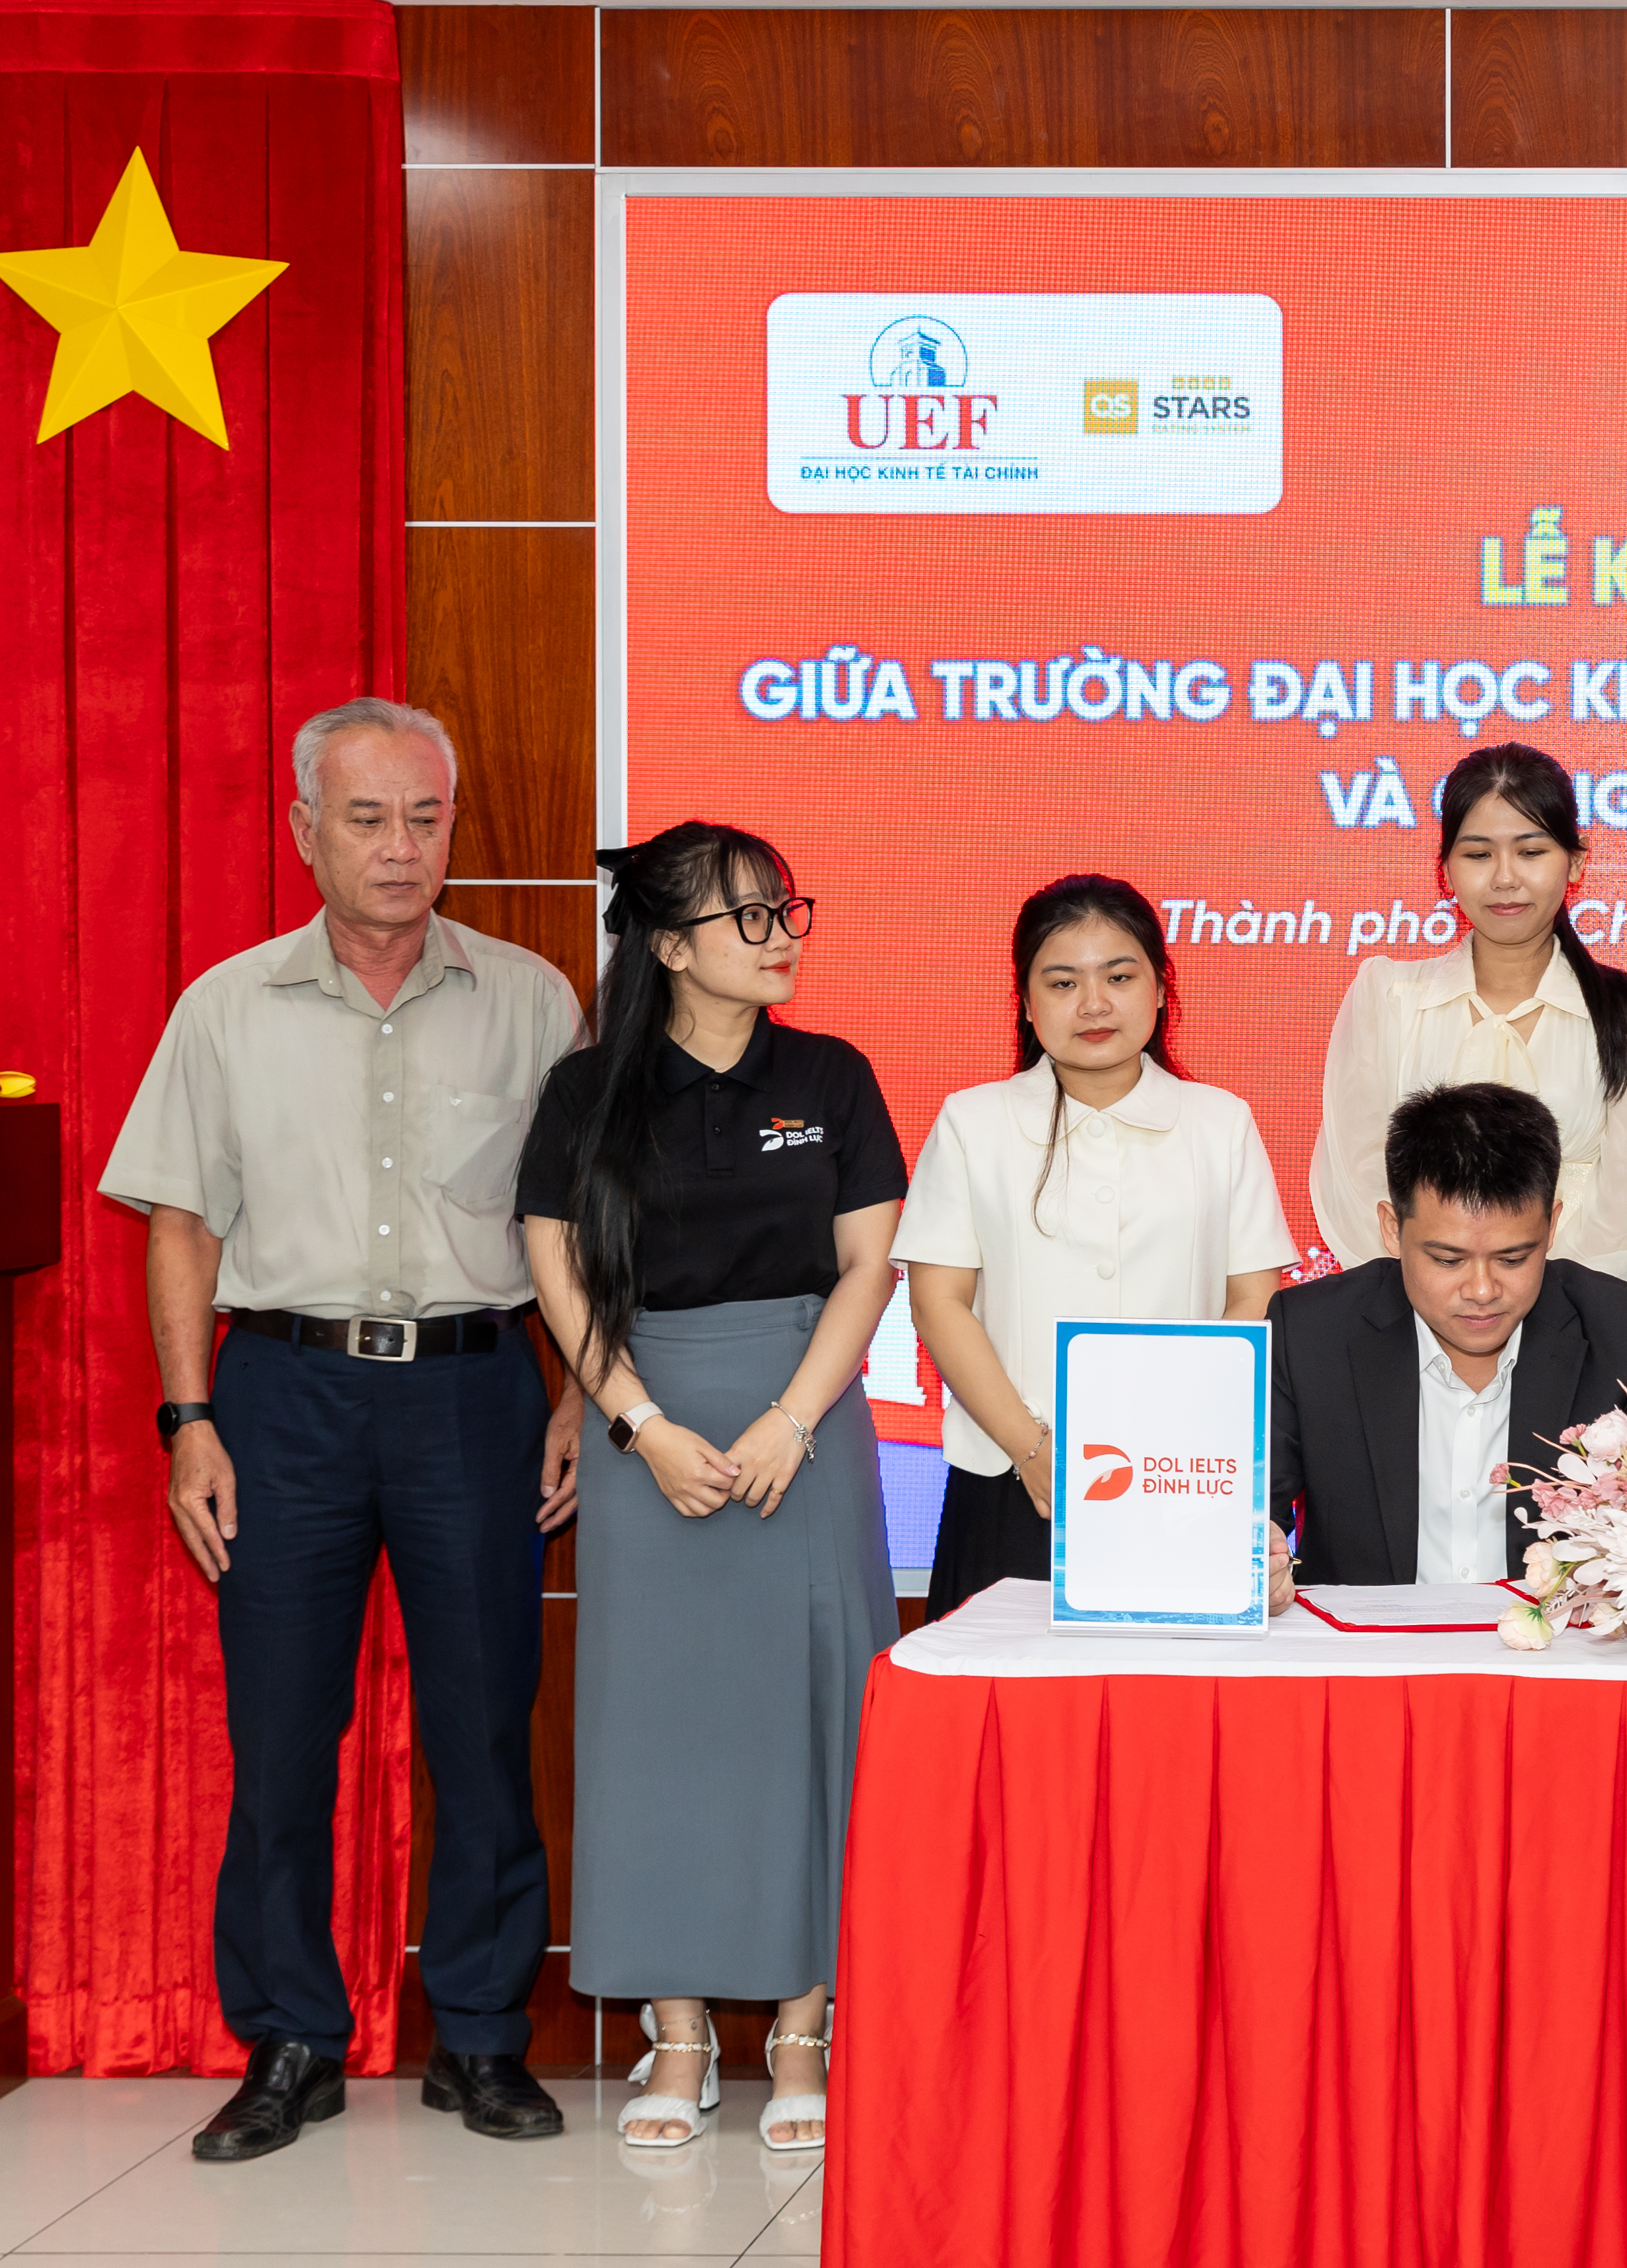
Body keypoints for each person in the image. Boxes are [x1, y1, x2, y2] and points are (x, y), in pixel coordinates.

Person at [99, 696, 581, 2162]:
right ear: (304, 828)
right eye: (365, 817)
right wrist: (190, 1415)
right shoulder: (227, 1003)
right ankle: (292, 2035)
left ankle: (483, 2037)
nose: (399, 846)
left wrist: (572, 1389)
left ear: (453, 823)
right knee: (284, 1728)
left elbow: (576, 1220)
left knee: (485, 1724)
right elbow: (180, 1219)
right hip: (285, 1397)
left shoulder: (537, 997)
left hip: (472, 1386)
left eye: (424, 816)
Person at [517, 822, 907, 2155]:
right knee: (656, 1726)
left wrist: (798, 1416)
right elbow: (558, 1267)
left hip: (809, 1422)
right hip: (653, 1434)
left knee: (819, 1720)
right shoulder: (588, 1099)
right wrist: (638, 1423)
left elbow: (868, 1267)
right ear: (670, 946)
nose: (783, 930)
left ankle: (807, 2022)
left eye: (785, 905)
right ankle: (673, 2031)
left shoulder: (833, 1075)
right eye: (750, 915)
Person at [898, 875, 1297, 1620]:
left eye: (1119, 976)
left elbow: (1253, 1297)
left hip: (1179, 1475)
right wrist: (1031, 1448)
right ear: (1025, 999)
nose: (1094, 1004)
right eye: (1063, 980)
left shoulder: (1220, 1122)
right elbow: (938, 1300)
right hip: (1012, 1478)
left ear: (1159, 987)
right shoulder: (972, 1122)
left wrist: (1175, 1433)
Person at [1270, 1082, 1627, 1584]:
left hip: (1552, 1657)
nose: (1483, 1289)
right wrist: (1261, 1562)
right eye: (1448, 1259)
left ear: (1551, 1226)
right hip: (1371, 1655)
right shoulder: (1311, 1334)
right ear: (1391, 1228)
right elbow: (1255, 1513)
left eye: (1513, 1258)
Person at [1311, 744, 1627, 1282]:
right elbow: (1358, 1181)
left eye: (1531, 852)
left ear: (1576, 860)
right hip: (1413, 1318)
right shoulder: (1387, 997)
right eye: (1479, 854)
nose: (1505, 878)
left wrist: (1545, 1313)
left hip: (1576, 1323)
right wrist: (1439, 1297)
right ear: (1446, 870)